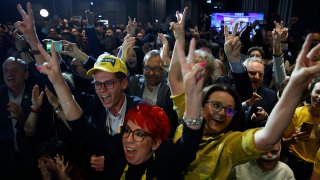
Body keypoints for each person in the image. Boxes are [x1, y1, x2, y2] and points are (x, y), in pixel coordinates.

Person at [34, 33, 204, 180]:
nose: (129, 139)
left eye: (139, 133)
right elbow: (79, 123)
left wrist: (194, 99)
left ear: (155, 142)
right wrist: (57, 79)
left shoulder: (161, 154)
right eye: (127, 131)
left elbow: (186, 150)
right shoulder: (117, 146)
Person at [174, 21, 320, 178]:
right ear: (201, 105)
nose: (222, 113)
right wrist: (179, 39)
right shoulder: (188, 112)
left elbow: (269, 137)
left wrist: (296, 86)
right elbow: (174, 80)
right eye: (216, 105)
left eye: (229, 110)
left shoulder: (229, 144)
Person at [127, 49, 178, 139]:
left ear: (164, 69)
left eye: (157, 69)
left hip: (161, 139)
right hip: (135, 136)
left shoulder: (171, 87)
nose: (151, 73)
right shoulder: (134, 81)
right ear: (143, 67)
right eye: (147, 68)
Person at [282, 77, 320, 180]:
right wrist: (291, 140)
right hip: (293, 162)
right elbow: (281, 142)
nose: (319, 97)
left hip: (315, 168)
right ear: (310, 93)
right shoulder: (297, 113)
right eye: (317, 92)